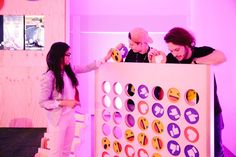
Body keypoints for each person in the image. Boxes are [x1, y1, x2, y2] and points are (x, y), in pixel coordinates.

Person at [149, 27, 226, 157]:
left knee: (215, 149)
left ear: (187, 44)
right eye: (171, 50)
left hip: (210, 111)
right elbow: (161, 84)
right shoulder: (171, 58)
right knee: (190, 147)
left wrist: (196, 62)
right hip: (183, 112)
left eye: (177, 49)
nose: (174, 54)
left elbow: (221, 57)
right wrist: (155, 65)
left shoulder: (201, 51)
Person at [39, 42, 106, 157]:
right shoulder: (49, 77)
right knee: (56, 153)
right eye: (67, 54)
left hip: (70, 117)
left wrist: (105, 58)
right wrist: (64, 102)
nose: (70, 57)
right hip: (58, 120)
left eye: (70, 54)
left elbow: (87, 67)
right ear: (59, 55)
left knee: (66, 151)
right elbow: (43, 102)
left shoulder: (69, 71)